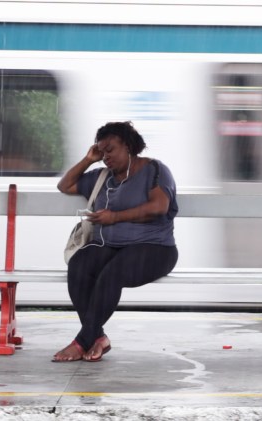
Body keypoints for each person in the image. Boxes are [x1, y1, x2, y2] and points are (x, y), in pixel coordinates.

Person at [53, 121, 179, 362]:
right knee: (79, 265)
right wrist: (88, 159)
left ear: (128, 146)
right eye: (101, 152)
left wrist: (115, 217)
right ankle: (97, 337)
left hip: (155, 248)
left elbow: (159, 207)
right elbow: (64, 185)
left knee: (112, 274)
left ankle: (82, 341)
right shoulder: (102, 177)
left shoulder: (155, 170)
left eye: (110, 150)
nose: (105, 157)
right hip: (111, 247)